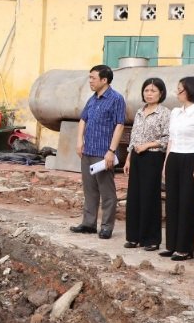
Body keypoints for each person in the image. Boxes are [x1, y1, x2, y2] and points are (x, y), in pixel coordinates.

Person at [72, 64, 126, 238]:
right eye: (89, 78)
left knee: (107, 192)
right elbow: (83, 120)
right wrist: (80, 141)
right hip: (88, 151)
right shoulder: (93, 98)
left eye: (93, 78)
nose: (90, 81)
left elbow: (119, 125)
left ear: (104, 80)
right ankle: (88, 223)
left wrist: (111, 151)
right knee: (89, 190)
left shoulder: (116, 99)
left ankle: (106, 226)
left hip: (103, 153)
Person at [162, 76, 194, 260]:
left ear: (190, 91)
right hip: (175, 156)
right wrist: (166, 163)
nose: (177, 92)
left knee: (187, 204)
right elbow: (171, 140)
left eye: (180, 89)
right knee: (172, 202)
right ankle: (172, 244)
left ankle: (185, 248)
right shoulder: (176, 112)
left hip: (191, 159)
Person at [123, 77, 169, 250]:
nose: (149, 94)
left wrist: (148, 145)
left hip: (153, 157)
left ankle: (151, 240)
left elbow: (166, 138)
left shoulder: (164, 113)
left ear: (161, 93)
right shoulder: (140, 112)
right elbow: (133, 137)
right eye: (146, 90)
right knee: (134, 197)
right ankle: (134, 237)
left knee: (150, 197)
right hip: (136, 157)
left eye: (153, 91)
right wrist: (128, 158)